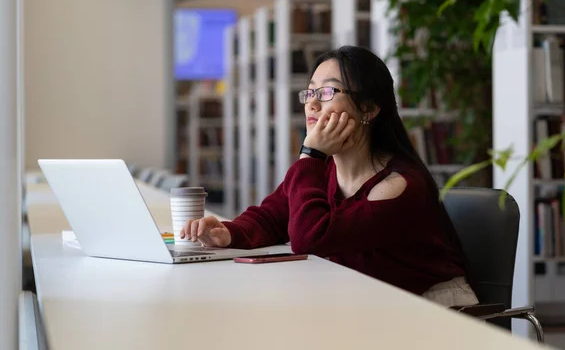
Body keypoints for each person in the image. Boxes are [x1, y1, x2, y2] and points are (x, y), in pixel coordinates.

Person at [181, 45, 478, 307]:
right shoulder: (323, 172)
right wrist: (230, 232)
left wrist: (310, 154)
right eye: (310, 92)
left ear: (369, 108)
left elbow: (310, 237)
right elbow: (272, 216)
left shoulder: (398, 185)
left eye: (327, 92)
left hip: (433, 312)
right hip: (369, 302)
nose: (312, 103)